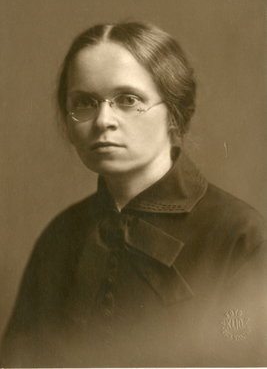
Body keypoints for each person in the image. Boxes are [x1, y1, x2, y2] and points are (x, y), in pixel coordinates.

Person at [1, 21, 266, 367]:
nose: (102, 121)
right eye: (84, 102)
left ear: (172, 112)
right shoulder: (60, 236)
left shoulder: (239, 233)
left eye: (128, 100)